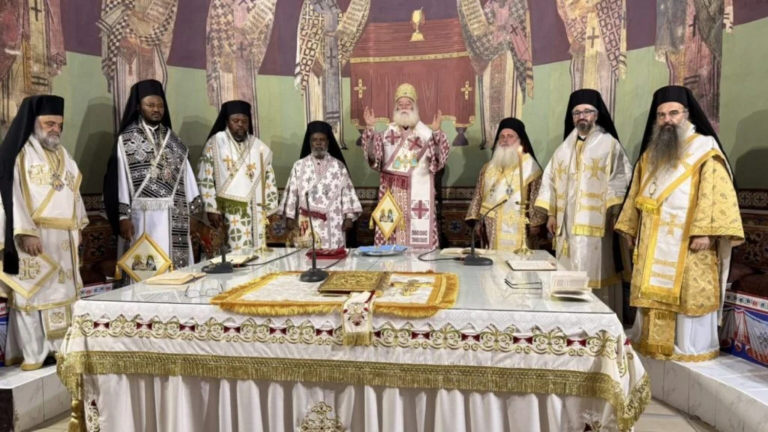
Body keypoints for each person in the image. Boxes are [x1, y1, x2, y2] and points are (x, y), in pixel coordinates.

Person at [616, 85, 743, 362]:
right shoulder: (651, 154)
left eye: (673, 113)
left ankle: (687, 346)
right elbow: (637, 193)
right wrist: (631, 228)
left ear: (687, 114)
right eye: (661, 115)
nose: (667, 120)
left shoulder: (705, 150)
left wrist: (706, 232)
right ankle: (652, 342)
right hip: (652, 240)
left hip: (689, 239)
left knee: (687, 291)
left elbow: (715, 192)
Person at [0, 95, 88, 371]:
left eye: (59, 125)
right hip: (33, 237)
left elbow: (74, 193)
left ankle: (59, 348)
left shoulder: (64, 155)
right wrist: (24, 232)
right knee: (34, 295)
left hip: (63, 239)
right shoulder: (19, 153)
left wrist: (78, 225)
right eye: (49, 123)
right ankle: (34, 352)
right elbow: (9, 196)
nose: (55, 130)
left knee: (62, 293)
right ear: (33, 121)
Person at [535, 89, 632, 317]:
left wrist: (615, 214)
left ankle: (600, 321)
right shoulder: (563, 148)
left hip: (598, 226)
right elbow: (550, 180)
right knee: (568, 271)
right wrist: (552, 214)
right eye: (577, 113)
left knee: (596, 271)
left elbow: (621, 178)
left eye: (587, 111)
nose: (582, 116)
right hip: (567, 226)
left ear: (596, 115)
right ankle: (569, 319)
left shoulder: (609, 144)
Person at [103, 80, 201, 276]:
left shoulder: (175, 142)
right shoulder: (127, 140)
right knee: (144, 273)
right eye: (150, 105)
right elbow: (119, 180)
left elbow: (187, 176)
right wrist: (123, 216)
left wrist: (193, 213)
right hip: (141, 217)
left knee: (175, 273)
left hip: (175, 215)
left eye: (160, 105)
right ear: (139, 107)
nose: (156, 109)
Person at [361, 83, 451, 249]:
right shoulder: (386, 134)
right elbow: (374, 160)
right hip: (392, 194)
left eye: (408, 103)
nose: (404, 107)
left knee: (418, 235)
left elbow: (438, 161)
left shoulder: (426, 134)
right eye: (400, 104)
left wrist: (437, 133)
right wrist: (370, 129)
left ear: (414, 107)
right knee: (391, 236)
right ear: (396, 107)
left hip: (419, 192)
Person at [197, 100, 278, 255]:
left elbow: (269, 180)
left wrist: (270, 208)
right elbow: (205, 176)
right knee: (232, 254)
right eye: (235, 121)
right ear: (227, 122)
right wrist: (211, 208)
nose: (240, 125)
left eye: (244, 121)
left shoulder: (258, 146)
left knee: (257, 253)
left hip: (255, 209)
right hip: (228, 211)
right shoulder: (216, 143)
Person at [466, 118, 546, 250]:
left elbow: (536, 195)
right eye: (502, 136)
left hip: (518, 225)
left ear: (520, 140)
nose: (505, 140)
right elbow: (478, 196)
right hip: (489, 225)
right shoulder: (488, 167)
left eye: (510, 136)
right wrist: (477, 221)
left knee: (516, 260)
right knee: (491, 260)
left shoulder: (530, 167)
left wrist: (535, 223)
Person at [280, 121, 361, 249]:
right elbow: (292, 193)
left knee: (333, 257)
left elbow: (346, 193)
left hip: (333, 222)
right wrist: (290, 216)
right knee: (306, 257)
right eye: (314, 140)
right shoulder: (299, 166)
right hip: (306, 222)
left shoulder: (338, 166)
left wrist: (349, 217)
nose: (318, 143)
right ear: (310, 142)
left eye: (322, 140)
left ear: (328, 142)